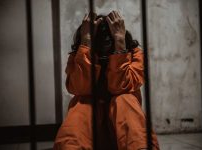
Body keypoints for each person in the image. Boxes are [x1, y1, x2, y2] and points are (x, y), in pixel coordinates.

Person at [53, 10, 159, 150]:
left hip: (124, 139)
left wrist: (119, 43)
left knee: (124, 98)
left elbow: (121, 86)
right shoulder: (79, 55)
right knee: (82, 102)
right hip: (91, 138)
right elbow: (79, 88)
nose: (105, 47)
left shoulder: (135, 54)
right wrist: (86, 42)